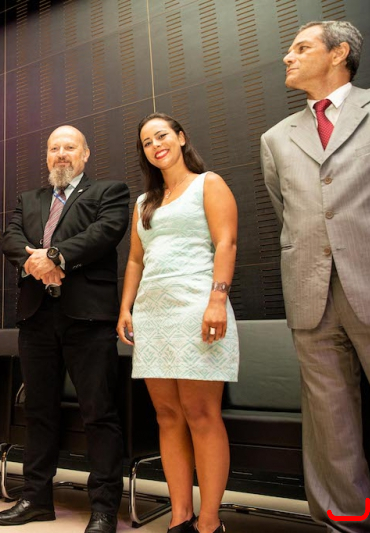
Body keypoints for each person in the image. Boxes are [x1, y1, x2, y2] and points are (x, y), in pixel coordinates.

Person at [261, 20, 370, 531]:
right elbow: (287, 211)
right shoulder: (275, 138)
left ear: (338, 53)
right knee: (331, 424)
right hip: (310, 292)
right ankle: (346, 523)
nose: (288, 56)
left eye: (301, 47)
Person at [0, 125, 130, 533]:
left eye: (69, 147)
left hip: (87, 317)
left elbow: (105, 232)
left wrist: (55, 256)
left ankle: (104, 508)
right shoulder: (28, 199)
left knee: (99, 412)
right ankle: (36, 499)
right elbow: (10, 238)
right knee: (37, 411)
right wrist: (37, 262)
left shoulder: (109, 191)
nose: (61, 154)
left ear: (85, 154)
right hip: (37, 317)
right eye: (54, 148)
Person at [118, 113, 239, 533]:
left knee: (201, 413)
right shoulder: (143, 203)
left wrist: (217, 300)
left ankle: (209, 522)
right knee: (167, 416)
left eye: (162, 136)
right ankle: (180, 516)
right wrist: (126, 308)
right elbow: (135, 260)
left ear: (181, 137)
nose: (156, 145)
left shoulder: (209, 183)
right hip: (153, 314)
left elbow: (226, 242)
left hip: (197, 308)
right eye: (147, 142)